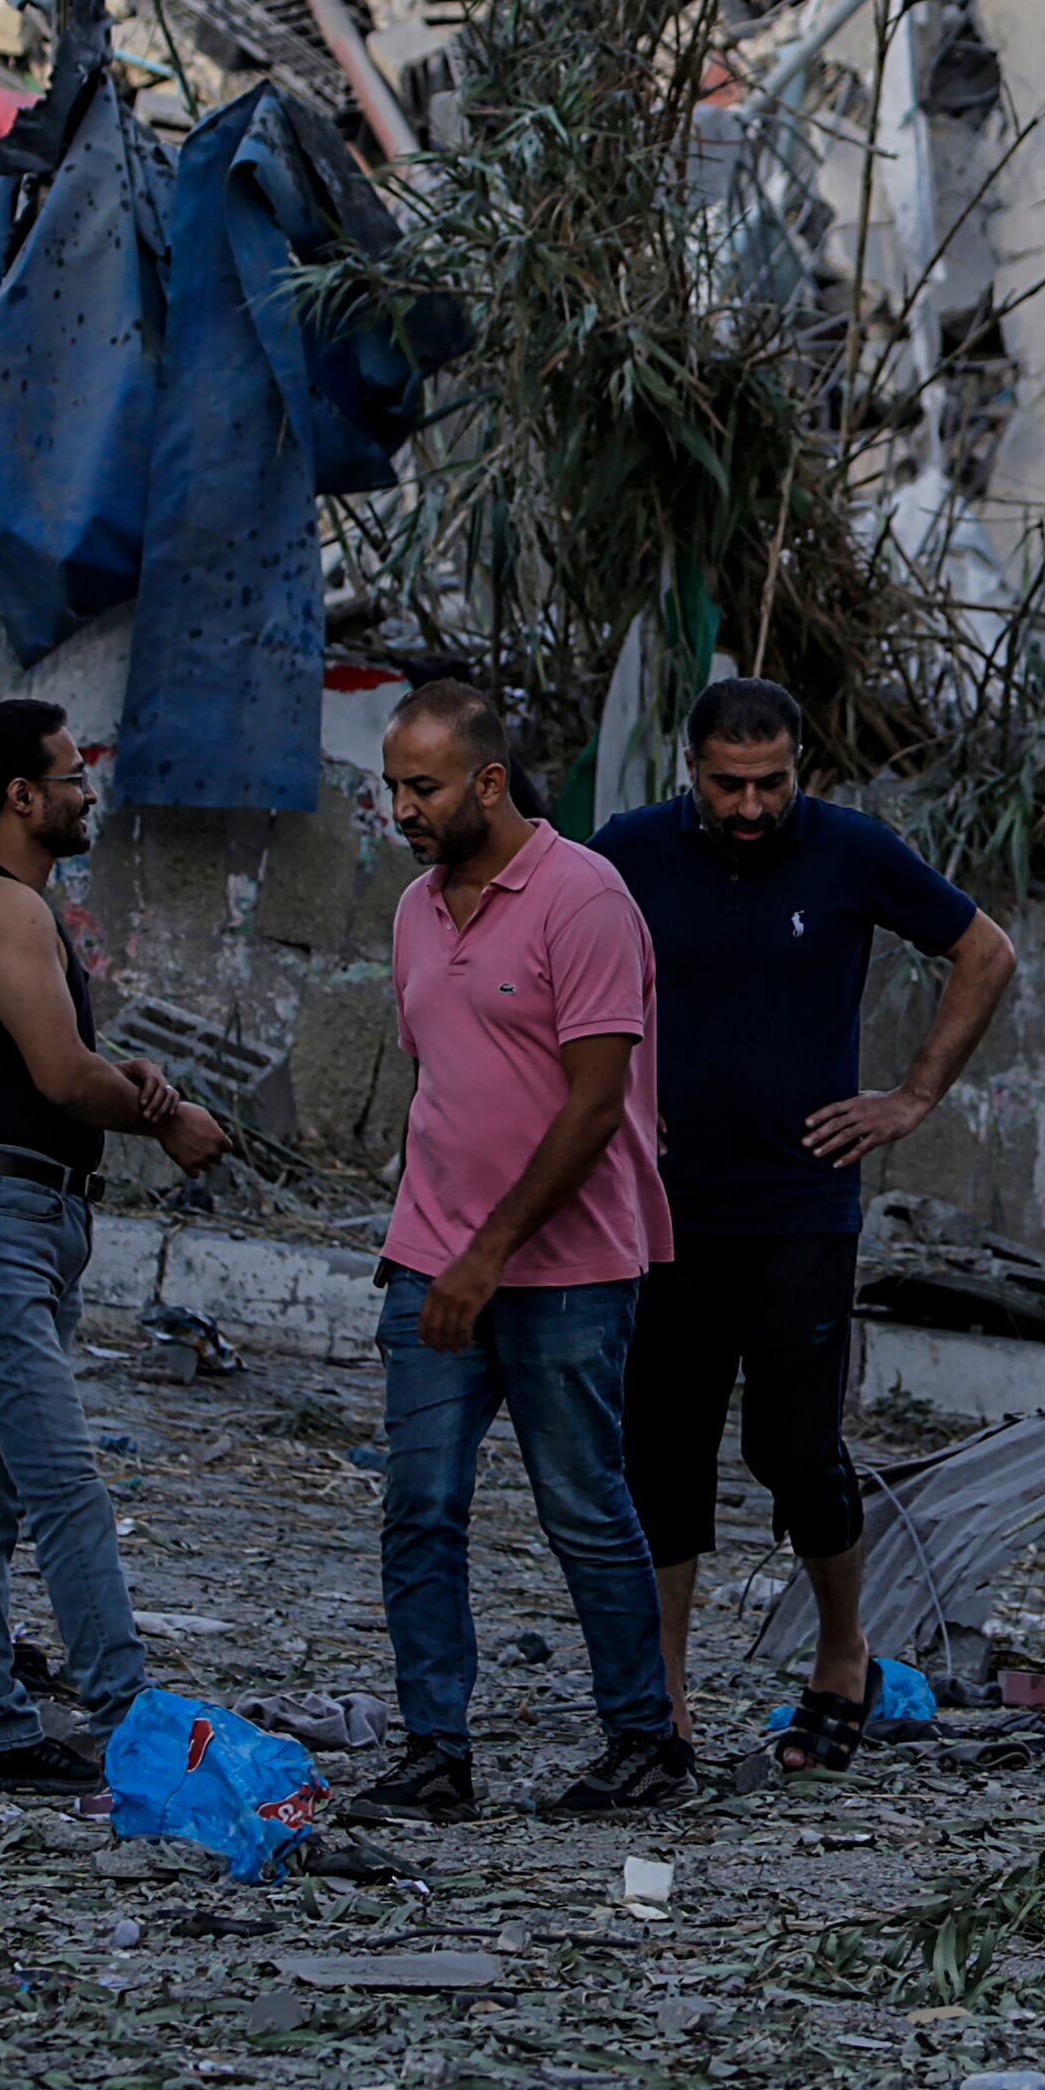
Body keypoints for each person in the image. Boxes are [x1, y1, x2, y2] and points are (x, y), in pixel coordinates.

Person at [593, 674, 1018, 1773]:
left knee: (793, 1446)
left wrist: (912, 1096)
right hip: (664, 1210)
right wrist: (615, 1102)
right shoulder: (626, 853)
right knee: (661, 1455)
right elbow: (561, 977)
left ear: (800, 768)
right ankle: (665, 1703)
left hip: (801, 1204)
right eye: (727, 784)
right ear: (690, 770)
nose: (748, 806)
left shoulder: (849, 849)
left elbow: (986, 953)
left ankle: (842, 1654)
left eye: (769, 783)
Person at [352, 677, 696, 1820]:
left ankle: (645, 1742)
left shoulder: (582, 900)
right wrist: (426, 1245)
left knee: (583, 1505)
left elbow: (596, 1107)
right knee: (418, 1507)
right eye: (394, 784)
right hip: (432, 1261)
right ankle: (433, 1754)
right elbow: (442, 1085)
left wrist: (487, 1254)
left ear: (487, 783)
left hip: (566, 1272)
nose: (402, 807)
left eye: (424, 786)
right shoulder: (411, 911)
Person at [0, 699, 226, 1785]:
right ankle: (126, 1710)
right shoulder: (1, 908)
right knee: (61, 1484)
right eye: (71, 774)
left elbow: (56, 1061)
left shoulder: (14, 910)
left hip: (16, 1218)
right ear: (21, 797)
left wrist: (121, 1074)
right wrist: (163, 1116)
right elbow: (55, 1073)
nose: (88, 792)